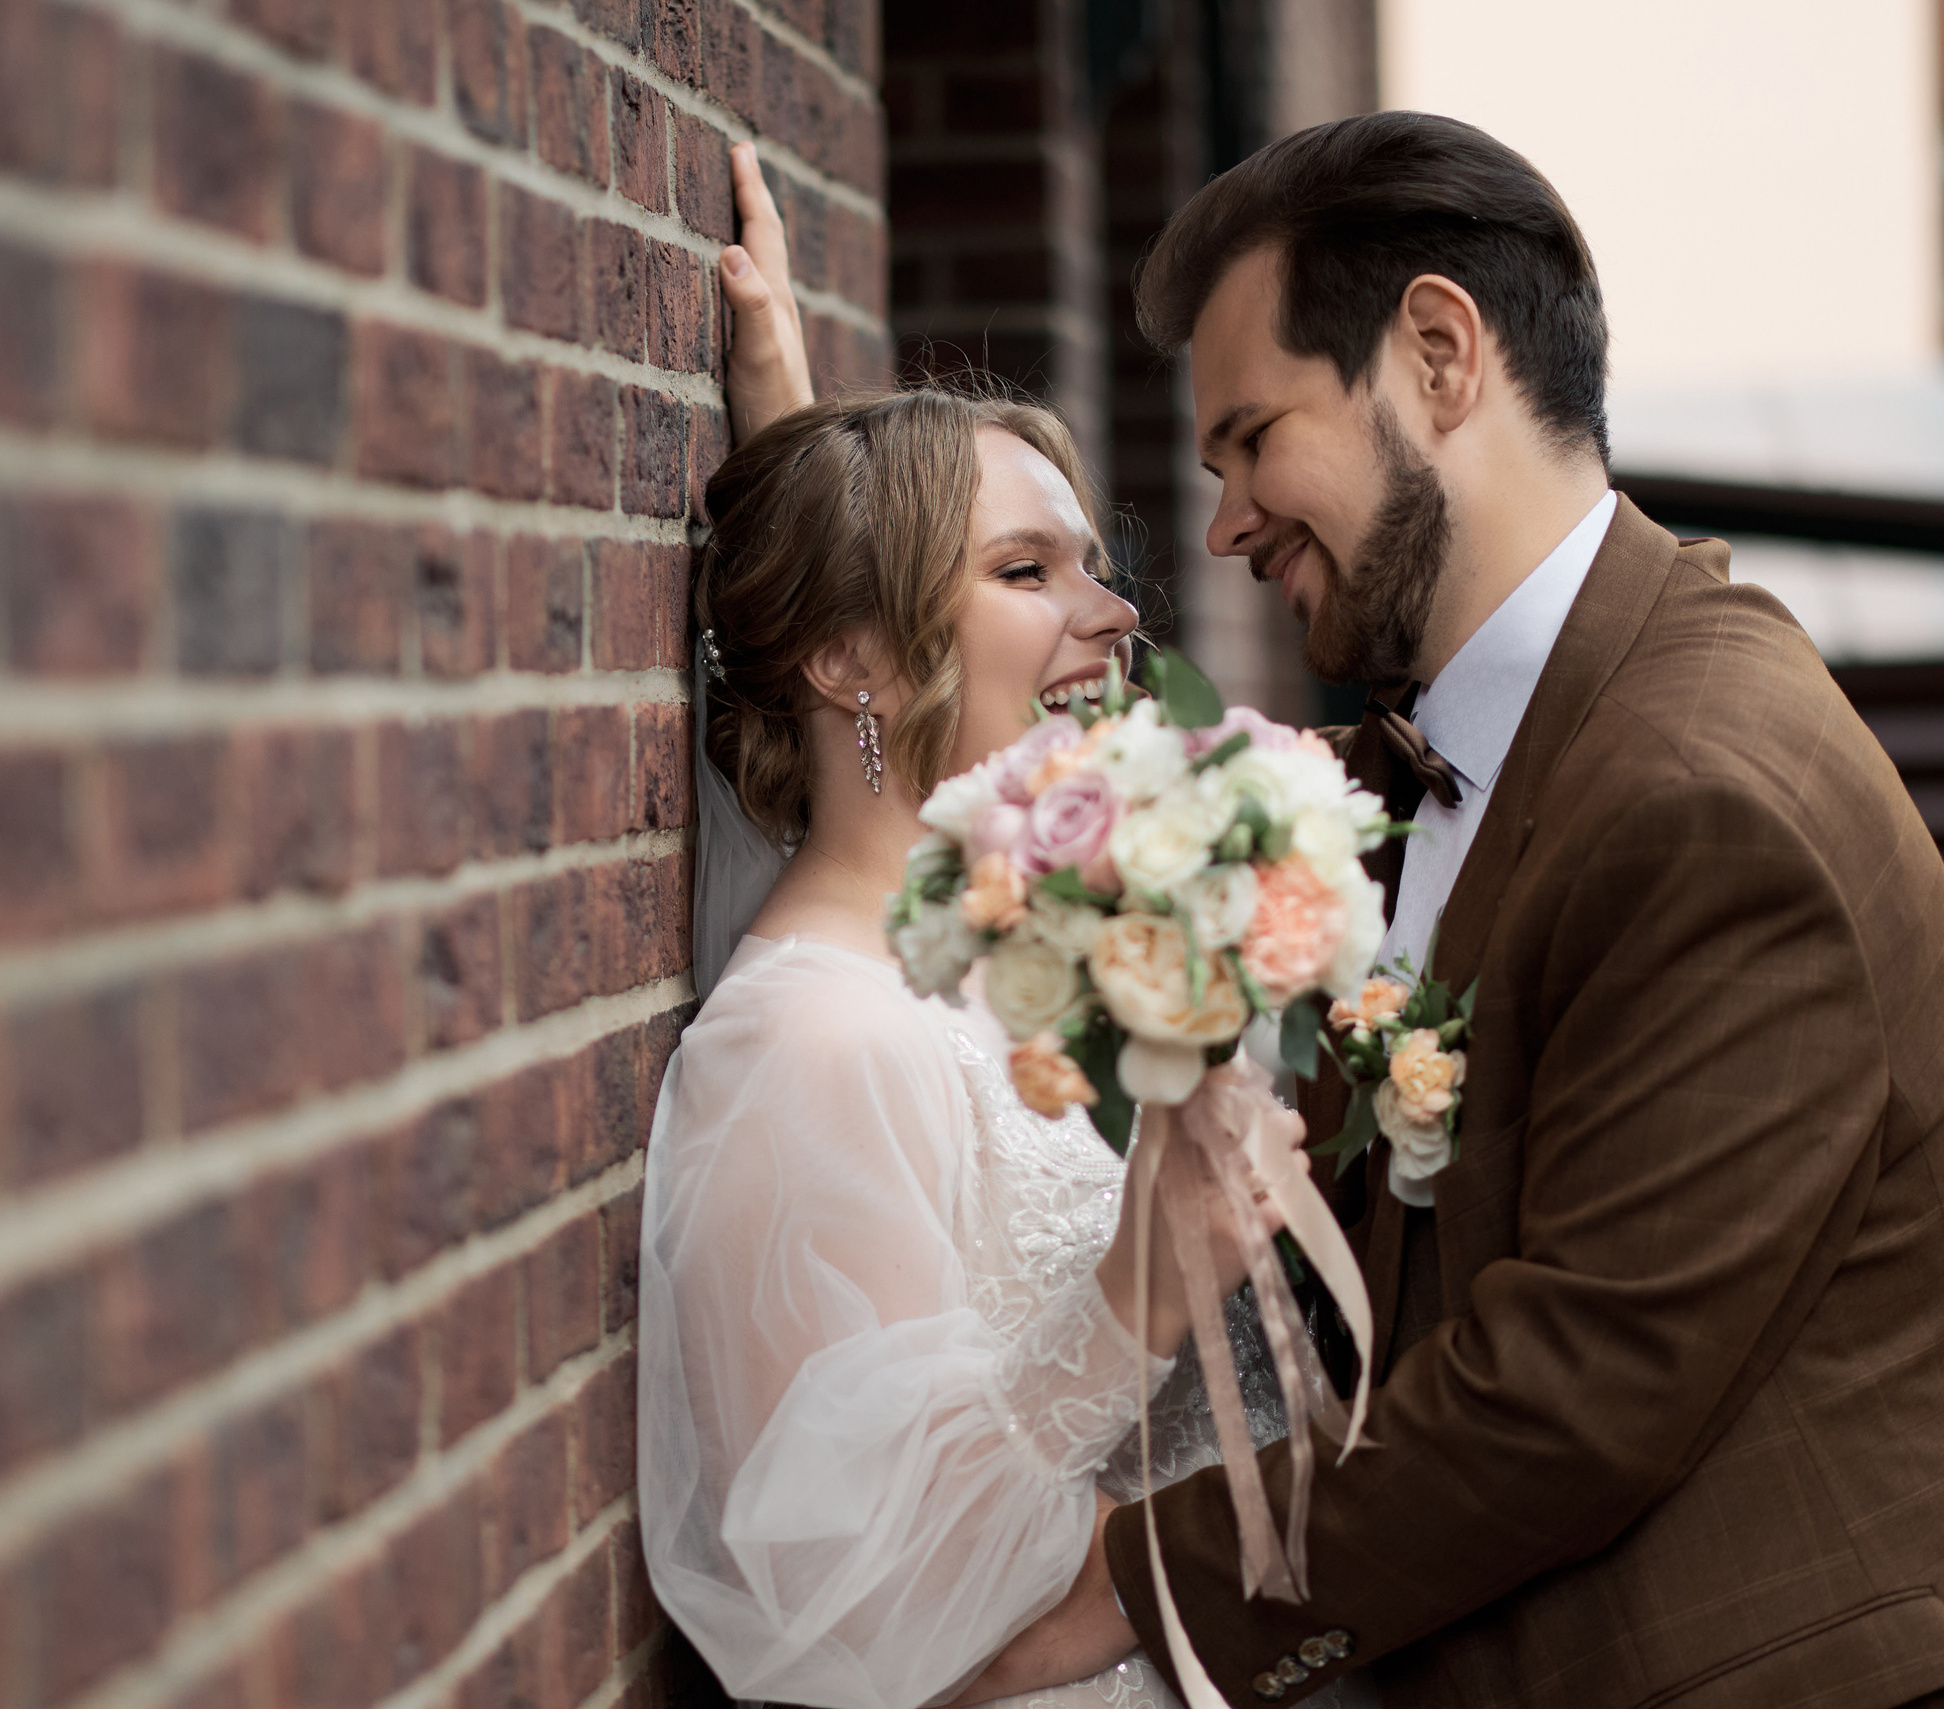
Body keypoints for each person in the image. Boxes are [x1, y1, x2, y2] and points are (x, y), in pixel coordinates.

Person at [720, 115, 1944, 1708]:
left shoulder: (1706, 789)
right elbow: (1014, 772)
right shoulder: (1435, 759)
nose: (1223, 524)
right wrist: (835, 541)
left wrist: (1114, 1598)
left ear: (1438, 355)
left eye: (1249, 437)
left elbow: (1574, 1390)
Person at [637, 365, 1362, 1709]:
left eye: (1091, 564)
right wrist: (1140, 1291)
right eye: (1028, 570)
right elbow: (853, 1601)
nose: (1116, 613)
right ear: (849, 655)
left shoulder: (960, 979)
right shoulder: (810, 1046)